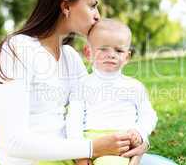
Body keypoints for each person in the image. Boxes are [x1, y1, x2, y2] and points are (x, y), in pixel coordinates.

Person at [0, 0, 176, 165]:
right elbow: (11, 141)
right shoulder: (16, 49)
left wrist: (140, 142)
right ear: (66, 6)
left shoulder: (70, 56)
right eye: (92, 5)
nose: (98, 16)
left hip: (77, 157)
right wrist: (91, 148)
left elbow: (96, 104)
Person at [65, 19, 157, 165]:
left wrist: (139, 132)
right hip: (87, 141)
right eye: (103, 49)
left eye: (119, 50)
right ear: (88, 52)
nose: (111, 54)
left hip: (120, 142)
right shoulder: (81, 85)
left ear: (127, 57)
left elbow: (149, 114)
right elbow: (73, 121)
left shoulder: (134, 86)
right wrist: (79, 152)